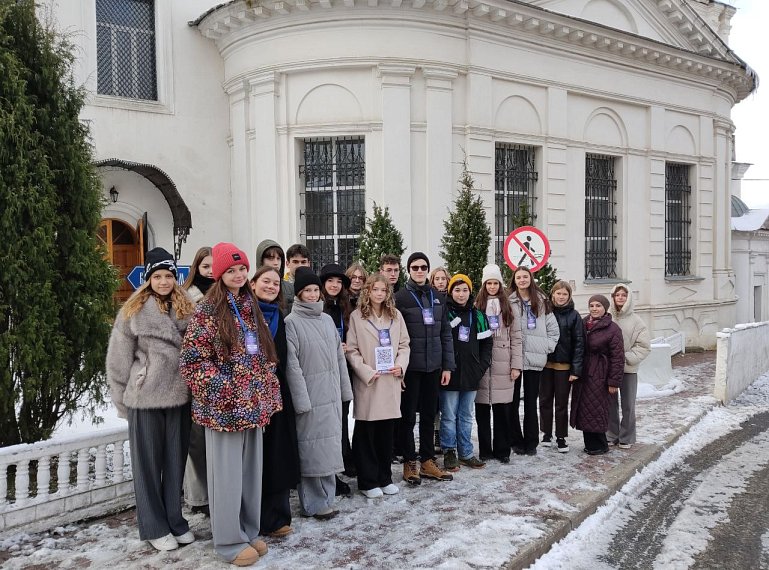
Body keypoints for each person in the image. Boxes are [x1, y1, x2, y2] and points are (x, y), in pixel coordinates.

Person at [180, 243, 282, 566]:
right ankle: (228, 541)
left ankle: (248, 531)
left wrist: (265, 383)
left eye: (242, 270)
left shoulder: (249, 305)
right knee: (226, 477)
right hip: (224, 410)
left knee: (250, 474)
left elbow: (261, 351)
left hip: (252, 405)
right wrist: (223, 389)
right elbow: (192, 361)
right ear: (220, 273)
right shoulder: (207, 311)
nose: (238, 275)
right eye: (231, 270)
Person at [106, 247, 196, 552]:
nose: (163, 281)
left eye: (168, 275)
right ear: (148, 279)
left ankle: (174, 519)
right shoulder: (131, 311)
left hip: (179, 396)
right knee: (148, 465)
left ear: (175, 277)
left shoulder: (187, 310)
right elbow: (118, 360)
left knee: (175, 463)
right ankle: (153, 526)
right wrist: (121, 399)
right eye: (157, 276)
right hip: (144, 398)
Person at [285, 267, 353, 520]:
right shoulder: (291, 323)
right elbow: (292, 366)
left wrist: (345, 390)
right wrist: (301, 400)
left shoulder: (326, 320)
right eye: (307, 291)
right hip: (311, 397)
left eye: (316, 290)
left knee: (328, 448)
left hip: (331, 394)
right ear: (299, 294)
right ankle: (313, 502)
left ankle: (327, 497)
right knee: (312, 450)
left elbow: (339, 358)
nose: (313, 295)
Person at [346, 274, 410, 498]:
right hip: (370, 381)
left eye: (384, 290)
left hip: (390, 379)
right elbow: (351, 350)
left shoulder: (396, 316)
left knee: (386, 433)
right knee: (367, 433)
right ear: (368, 291)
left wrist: (400, 366)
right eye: (376, 290)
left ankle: (384, 477)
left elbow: (404, 345)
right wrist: (365, 371)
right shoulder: (357, 317)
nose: (380, 294)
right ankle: (367, 480)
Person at [394, 252, 455, 484]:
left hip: (434, 367)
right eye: (415, 267)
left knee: (429, 415)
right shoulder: (400, 297)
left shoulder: (437, 296)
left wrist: (447, 366)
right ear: (408, 270)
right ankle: (410, 462)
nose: (419, 271)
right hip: (411, 368)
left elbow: (446, 333)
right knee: (408, 417)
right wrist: (398, 368)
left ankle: (428, 461)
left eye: (423, 267)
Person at [250, 266, 300, 539]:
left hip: (278, 392)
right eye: (265, 282)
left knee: (278, 454)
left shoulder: (279, 316)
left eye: (275, 283)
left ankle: (278, 516)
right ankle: (254, 518)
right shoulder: (244, 314)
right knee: (256, 457)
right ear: (253, 283)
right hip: (251, 394)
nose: (271, 287)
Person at [440, 274, 493, 471]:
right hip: (450, 373)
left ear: (470, 292)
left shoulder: (478, 315)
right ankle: (449, 451)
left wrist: (481, 366)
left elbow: (487, 343)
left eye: (465, 290)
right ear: (451, 291)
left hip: (471, 373)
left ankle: (466, 452)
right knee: (449, 415)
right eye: (457, 290)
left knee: (466, 415)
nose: (461, 294)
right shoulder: (445, 313)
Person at [508, 266, 559, 456]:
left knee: (531, 402)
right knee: (512, 402)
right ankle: (515, 440)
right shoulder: (509, 300)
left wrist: (547, 347)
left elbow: (553, 329)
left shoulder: (542, 301)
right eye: (518, 277)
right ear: (514, 280)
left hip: (535, 359)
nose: (522, 280)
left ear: (531, 279)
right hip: (514, 358)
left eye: (525, 277)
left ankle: (531, 442)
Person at [474, 264, 523, 463]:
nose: (492, 287)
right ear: (484, 285)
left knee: (503, 411)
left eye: (495, 283)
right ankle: (485, 450)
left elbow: (517, 337)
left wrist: (515, 365)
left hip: (504, 364)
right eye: (489, 283)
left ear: (500, 285)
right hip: (483, 364)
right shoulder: (477, 306)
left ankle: (503, 450)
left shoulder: (508, 307)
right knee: (483, 411)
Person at [180, 246, 214, 516]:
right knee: (195, 440)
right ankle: (198, 496)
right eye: (206, 267)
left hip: (219, 374)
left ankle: (214, 491)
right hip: (196, 373)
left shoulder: (225, 294)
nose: (211, 271)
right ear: (196, 268)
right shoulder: (188, 296)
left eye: (215, 267)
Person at [571, 295, 625, 455]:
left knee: (597, 409)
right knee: (584, 409)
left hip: (600, 372)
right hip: (584, 371)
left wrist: (614, 381)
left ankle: (600, 445)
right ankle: (590, 444)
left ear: (605, 308)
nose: (594, 308)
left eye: (598, 306)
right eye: (592, 305)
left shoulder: (612, 328)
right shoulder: (583, 323)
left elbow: (618, 357)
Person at [319, 262, 356, 489]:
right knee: (327, 424)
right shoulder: (318, 307)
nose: (334, 285)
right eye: (330, 281)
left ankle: (342, 461)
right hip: (322, 373)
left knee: (342, 419)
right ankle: (329, 472)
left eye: (339, 281)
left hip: (342, 369)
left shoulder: (344, 307)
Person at [540, 280, 584, 453]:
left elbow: (579, 344)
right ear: (553, 294)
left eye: (564, 294)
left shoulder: (574, 316)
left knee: (561, 403)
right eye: (558, 293)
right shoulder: (545, 312)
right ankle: (546, 433)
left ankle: (561, 436)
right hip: (545, 364)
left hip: (564, 366)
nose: (561, 297)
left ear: (569, 296)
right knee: (544, 400)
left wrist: (575, 369)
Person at [608, 284, 651, 449]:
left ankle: (627, 436)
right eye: (617, 295)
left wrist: (625, 358)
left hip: (628, 369)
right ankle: (611, 434)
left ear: (628, 298)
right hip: (610, 369)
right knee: (610, 404)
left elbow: (643, 346)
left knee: (628, 404)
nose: (620, 298)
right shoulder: (607, 317)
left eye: (623, 295)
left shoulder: (637, 321)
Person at [256, 239, 295, 313]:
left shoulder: (290, 288)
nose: (276, 263)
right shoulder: (252, 286)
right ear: (261, 260)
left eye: (278, 258)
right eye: (271, 258)